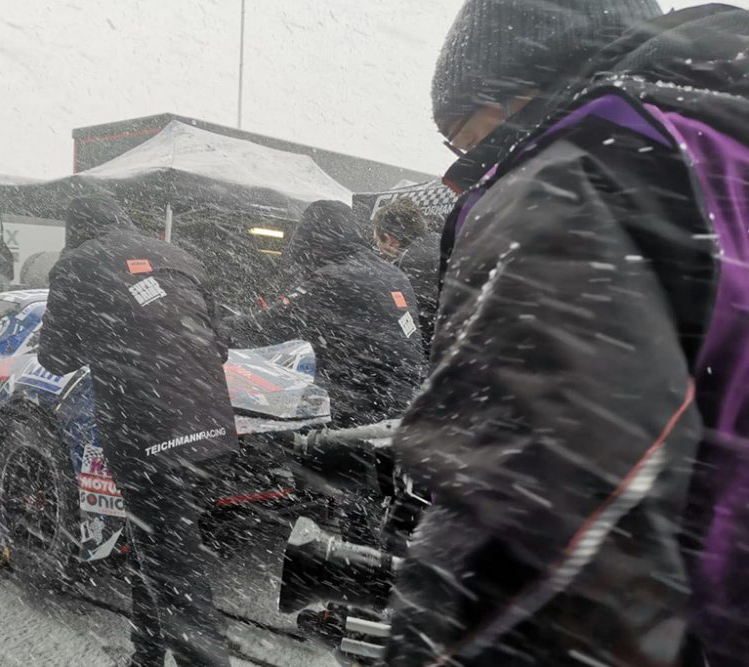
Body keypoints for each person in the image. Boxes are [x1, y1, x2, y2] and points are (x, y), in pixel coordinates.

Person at [387, 2, 749, 666]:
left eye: (460, 133)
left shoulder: (580, 174)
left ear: (522, 85)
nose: (459, 164)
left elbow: (538, 551)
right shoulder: (719, 152)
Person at [37, 194, 237, 667]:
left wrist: (109, 341)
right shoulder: (181, 256)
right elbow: (222, 342)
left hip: (144, 428)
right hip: (210, 428)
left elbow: (55, 358)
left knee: (174, 560)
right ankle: (145, 656)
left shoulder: (75, 266)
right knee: (159, 543)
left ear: (75, 230)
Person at [227, 200, 425, 429]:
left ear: (314, 241)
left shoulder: (336, 278)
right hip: (401, 404)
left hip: (360, 410)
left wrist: (208, 326)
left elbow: (268, 327)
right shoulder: (392, 273)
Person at [372, 197, 438, 354]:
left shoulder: (413, 265)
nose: (379, 250)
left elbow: (417, 323)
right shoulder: (438, 243)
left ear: (389, 240)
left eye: (377, 242)